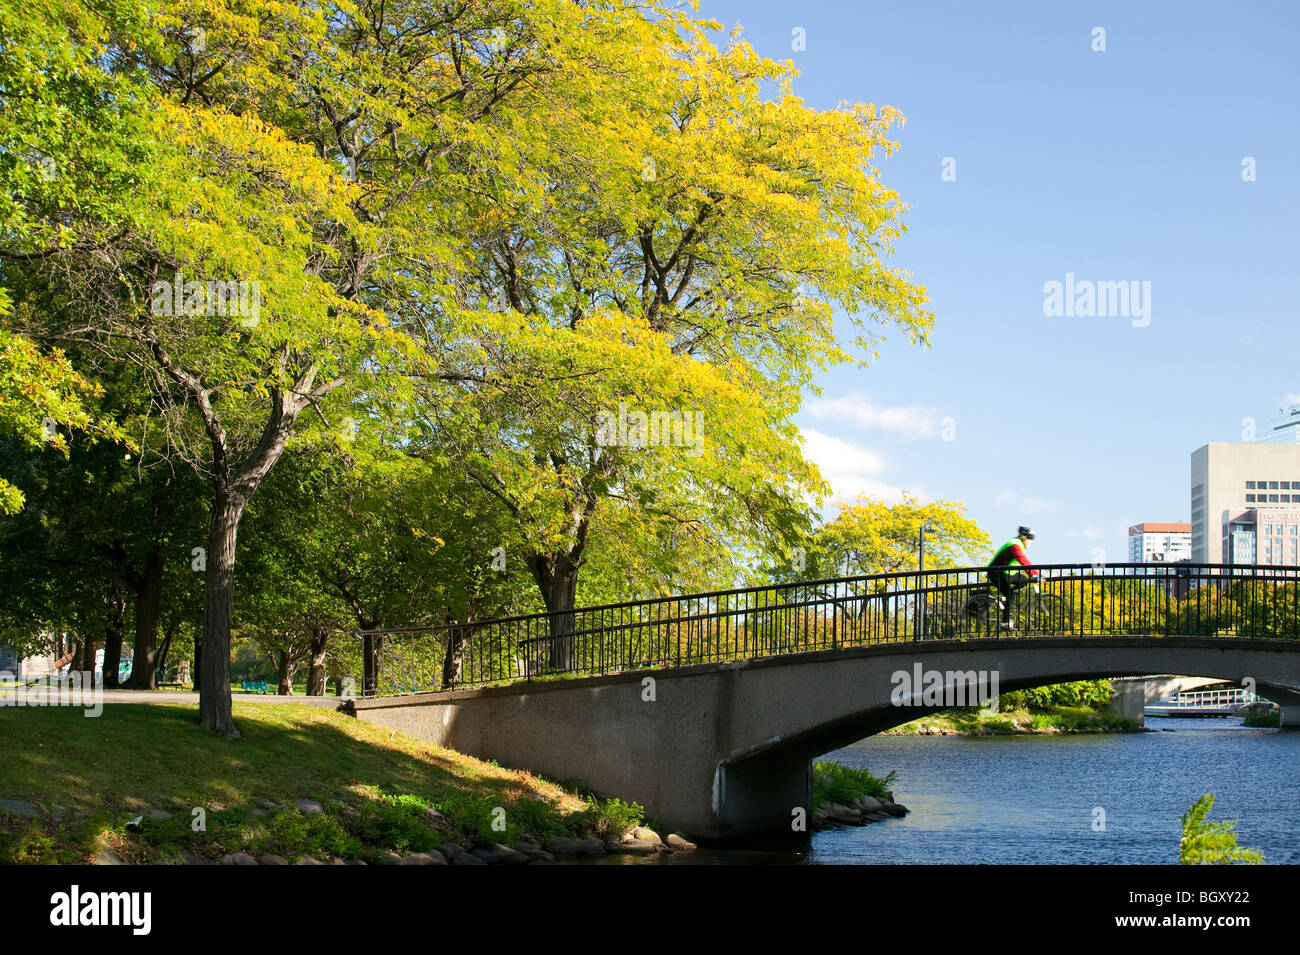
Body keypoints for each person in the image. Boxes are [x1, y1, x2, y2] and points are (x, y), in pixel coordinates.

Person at [988, 526, 1038, 629]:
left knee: (1024, 580)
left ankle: (1007, 598)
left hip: (1007, 573)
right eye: (1029, 539)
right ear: (1024, 538)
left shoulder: (1019, 545)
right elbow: (1022, 560)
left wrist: (1034, 574)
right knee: (1010, 594)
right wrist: (1034, 574)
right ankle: (1005, 623)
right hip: (997, 573)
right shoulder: (1014, 545)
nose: (1030, 542)